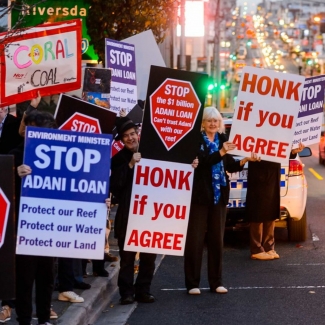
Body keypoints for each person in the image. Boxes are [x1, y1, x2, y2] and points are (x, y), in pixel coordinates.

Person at [184, 106, 259, 295]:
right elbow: (203, 163)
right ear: (202, 123)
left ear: (219, 124)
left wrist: (246, 159)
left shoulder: (223, 140)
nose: (213, 123)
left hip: (219, 197)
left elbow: (231, 166)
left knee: (217, 240)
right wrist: (222, 153)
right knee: (195, 240)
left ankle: (216, 282)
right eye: (209, 120)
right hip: (199, 197)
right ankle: (192, 283)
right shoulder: (195, 140)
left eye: (216, 121)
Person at [110, 117, 156, 305]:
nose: (130, 138)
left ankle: (143, 290)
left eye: (132, 134)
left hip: (150, 214)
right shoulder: (118, 158)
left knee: (148, 257)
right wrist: (130, 165)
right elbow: (116, 187)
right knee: (127, 257)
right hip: (128, 214)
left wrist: (191, 164)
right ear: (121, 140)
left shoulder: (152, 152)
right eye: (125, 136)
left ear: (138, 134)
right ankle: (126, 293)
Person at [247, 142, 305, 261]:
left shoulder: (276, 132)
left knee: (271, 209)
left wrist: (293, 152)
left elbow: (280, 149)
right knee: (257, 209)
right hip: (257, 172)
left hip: (273, 173)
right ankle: (256, 248)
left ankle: (269, 247)